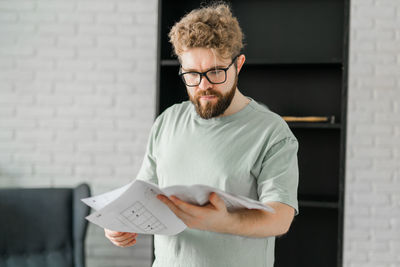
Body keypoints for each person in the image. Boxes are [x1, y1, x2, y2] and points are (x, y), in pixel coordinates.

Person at [104, 2, 299, 266]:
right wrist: (121, 222)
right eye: (192, 75)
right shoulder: (167, 121)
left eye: (216, 72)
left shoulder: (272, 132)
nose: (204, 85)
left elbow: (281, 217)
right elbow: (144, 196)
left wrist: (225, 222)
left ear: (238, 65)